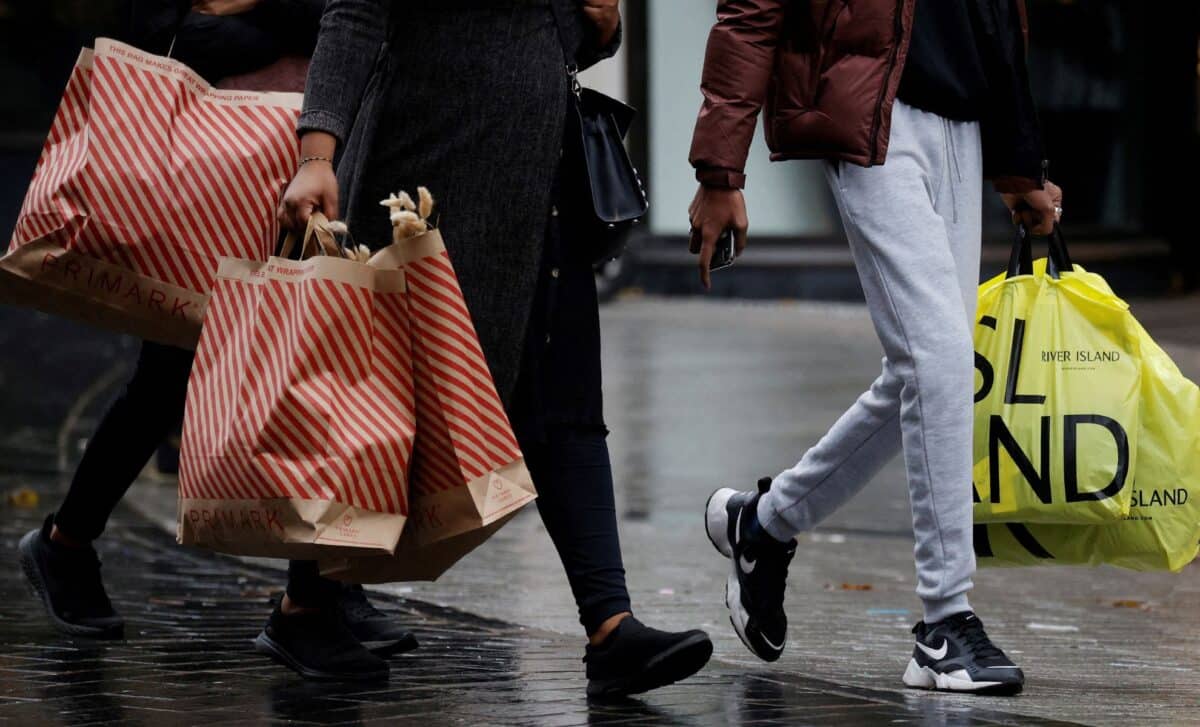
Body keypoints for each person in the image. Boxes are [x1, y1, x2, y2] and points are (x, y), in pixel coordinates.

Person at [278, 0, 713, 698]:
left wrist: (602, 28)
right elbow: (355, 12)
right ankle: (305, 603)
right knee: (384, 401)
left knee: (566, 395)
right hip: (429, 170)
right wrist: (316, 153)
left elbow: (546, 29)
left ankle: (610, 624)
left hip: (540, 175)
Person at [18, 0, 418, 684]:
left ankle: (325, 588)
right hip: (221, 163)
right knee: (170, 374)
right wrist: (292, 20)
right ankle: (65, 541)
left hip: (321, 149)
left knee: (322, 362)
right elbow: (165, 23)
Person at [688, 0, 1064, 695]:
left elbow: (994, 17)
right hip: (865, 117)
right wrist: (720, 171)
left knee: (927, 370)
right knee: (939, 359)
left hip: (961, 124)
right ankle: (945, 622)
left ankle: (762, 525)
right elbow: (751, 12)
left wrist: (1020, 166)